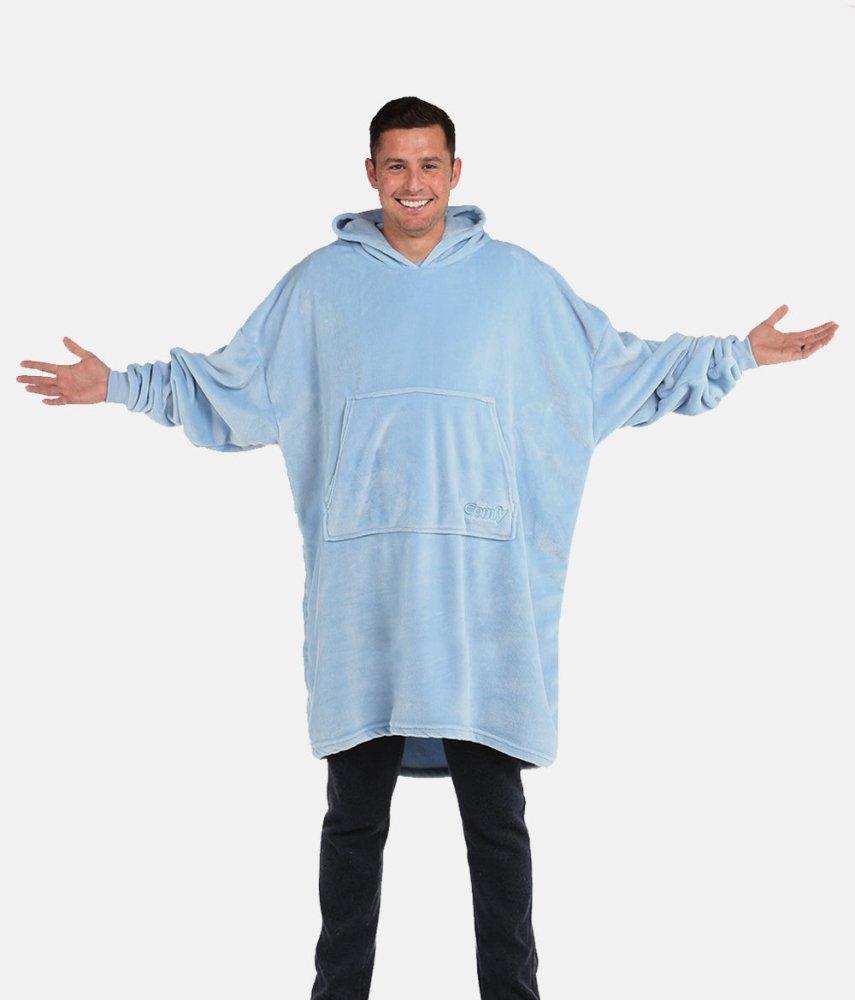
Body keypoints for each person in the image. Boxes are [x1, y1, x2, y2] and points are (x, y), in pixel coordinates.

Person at [17, 96, 838, 999]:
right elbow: (231, 385)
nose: (414, 183)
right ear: (370, 173)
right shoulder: (320, 288)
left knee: (497, 824)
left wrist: (737, 355)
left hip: (480, 603)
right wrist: (120, 385)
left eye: (429, 165)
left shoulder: (519, 285)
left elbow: (617, 370)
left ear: (456, 172)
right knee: (352, 822)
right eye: (396, 166)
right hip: (365, 603)